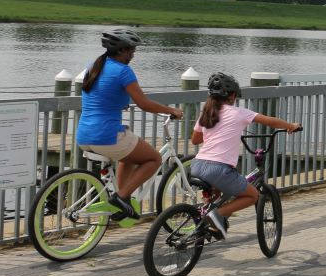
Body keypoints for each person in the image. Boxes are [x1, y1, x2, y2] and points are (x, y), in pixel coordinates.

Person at [76, 29, 184, 220]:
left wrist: (119, 102)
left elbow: (102, 95)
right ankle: (121, 197)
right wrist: (171, 110)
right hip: (107, 135)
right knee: (153, 160)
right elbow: (143, 103)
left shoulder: (94, 66)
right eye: (132, 50)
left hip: (84, 135)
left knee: (128, 155)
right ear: (122, 50)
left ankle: (120, 202)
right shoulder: (123, 71)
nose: (134, 54)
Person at [189, 72, 301, 239]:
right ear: (232, 95)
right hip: (219, 169)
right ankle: (215, 216)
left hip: (197, 165)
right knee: (252, 195)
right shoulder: (239, 113)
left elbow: (195, 140)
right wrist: (291, 126)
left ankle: (208, 222)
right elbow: (270, 121)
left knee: (217, 194)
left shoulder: (206, 114)